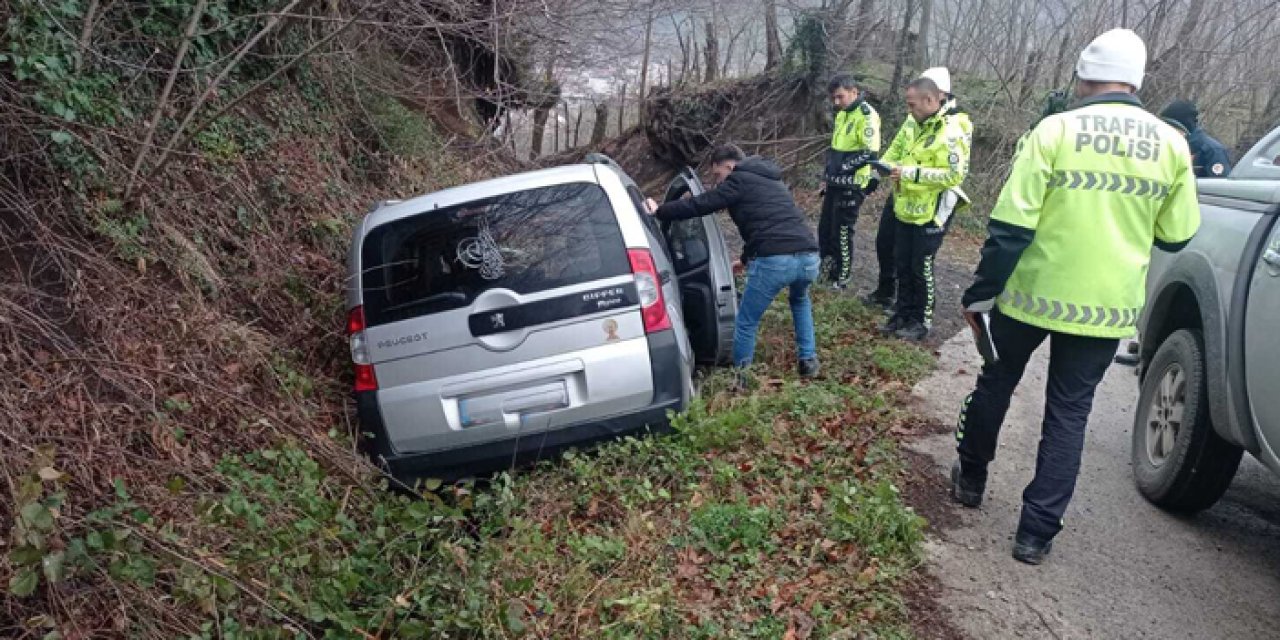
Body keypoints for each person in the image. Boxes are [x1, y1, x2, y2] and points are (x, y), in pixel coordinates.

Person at [951, 28, 1200, 565]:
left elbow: (1011, 229)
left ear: (1084, 76)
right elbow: (1177, 235)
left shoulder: (1054, 131)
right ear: (1136, 80)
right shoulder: (1172, 144)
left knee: (997, 381)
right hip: (1104, 309)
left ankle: (970, 478)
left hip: (1029, 297)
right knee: (1069, 414)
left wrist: (980, 294)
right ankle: (1035, 534)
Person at [645, 144, 821, 380]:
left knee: (746, 321)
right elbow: (767, 223)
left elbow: (702, 204)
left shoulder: (738, 180)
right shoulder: (772, 180)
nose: (718, 181)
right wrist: (746, 259)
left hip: (775, 261)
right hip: (809, 257)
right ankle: (808, 361)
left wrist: (661, 211)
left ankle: (742, 379)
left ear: (729, 165)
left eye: (718, 174)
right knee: (799, 301)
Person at [865, 67, 968, 311]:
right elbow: (899, 146)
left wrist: (910, 173)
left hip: (933, 200)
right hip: (906, 193)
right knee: (892, 248)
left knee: (919, 262)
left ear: (935, 96)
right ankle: (896, 302)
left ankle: (919, 315)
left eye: (913, 104)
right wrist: (880, 171)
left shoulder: (954, 126)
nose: (909, 110)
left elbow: (954, 172)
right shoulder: (916, 118)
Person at [820, 75, 881, 290]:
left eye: (840, 97)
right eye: (833, 99)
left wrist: (843, 170)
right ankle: (825, 271)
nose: (836, 103)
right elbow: (835, 149)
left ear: (853, 91)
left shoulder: (867, 115)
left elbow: (869, 153)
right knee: (825, 228)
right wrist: (827, 175)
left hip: (853, 183)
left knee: (842, 232)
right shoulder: (842, 114)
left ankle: (841, 278)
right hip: (834, 182)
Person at [1160, 100, 1232, 177]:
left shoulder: (1212, 151)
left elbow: (1219, 185)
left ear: (1183, 127)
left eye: (1171, 126)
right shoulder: (1165, 146)